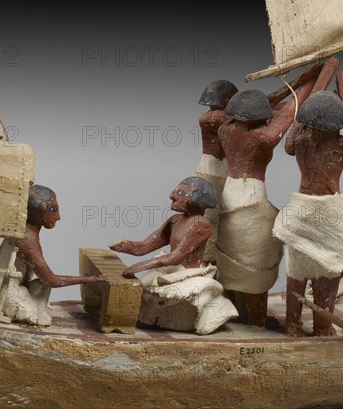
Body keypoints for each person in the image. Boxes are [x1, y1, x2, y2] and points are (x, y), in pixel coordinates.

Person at [215, 70, 319, 326]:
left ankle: (233, 313)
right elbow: (287, 113)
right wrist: (314, 82)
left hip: (229, 194)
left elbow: (270, 106)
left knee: (232, 257)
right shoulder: (263, 137)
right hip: (249, 199)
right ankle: (257, 322)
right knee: (255, 260)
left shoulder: (224, 129)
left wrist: (300, 81)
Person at [273, 68, 343, 337]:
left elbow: (294, 131)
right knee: (329, 268)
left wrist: (323, 77)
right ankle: (323, 326)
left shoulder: (298, 141)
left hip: (301, 207)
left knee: (297, 270)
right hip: (328, 210)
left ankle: (293, 324)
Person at [110, 177, 238, 335]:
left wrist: (139, 266)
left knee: (163, 290)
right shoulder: (175, 220)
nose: (172, 195)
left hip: (187, 272)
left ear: (198, 200)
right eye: (175, 191)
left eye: (182, 193)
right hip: (171, 268)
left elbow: (176, 256)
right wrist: (126, 246)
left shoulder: (201, 224)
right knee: (145, 286)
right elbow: (143, 246)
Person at [0, 185, 105, 326]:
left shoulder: (29, 232)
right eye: (53, 210)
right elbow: (51, 279)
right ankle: (28, 311)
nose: (58, 217)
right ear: (42, 210)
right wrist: (92, 279)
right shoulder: (26, 239)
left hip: (19, 285)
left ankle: (37, 308)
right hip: (0, 293)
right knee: (33, 311)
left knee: (43, 287)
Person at [194, 79, 238, 264]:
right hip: (213, 174)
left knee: (220, 220)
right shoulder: (213, 117)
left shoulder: (214, 117)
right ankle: (204, 265)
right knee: (210, 220)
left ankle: (210, 266)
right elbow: (254, 114)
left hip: (216, 173)